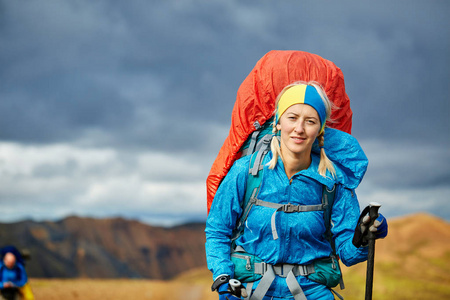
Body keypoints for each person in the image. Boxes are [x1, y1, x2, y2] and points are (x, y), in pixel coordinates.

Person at [205, 81, 388, 300]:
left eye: (310, 121)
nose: (299, 129)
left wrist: (362, 238)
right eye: (292, 118)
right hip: (250, 289)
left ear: (320, 128)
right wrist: (224, 278)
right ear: (278, 122)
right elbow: (218, 230)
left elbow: (348, 255)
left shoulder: (333, 182)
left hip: (312, 292)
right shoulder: (246, 171)